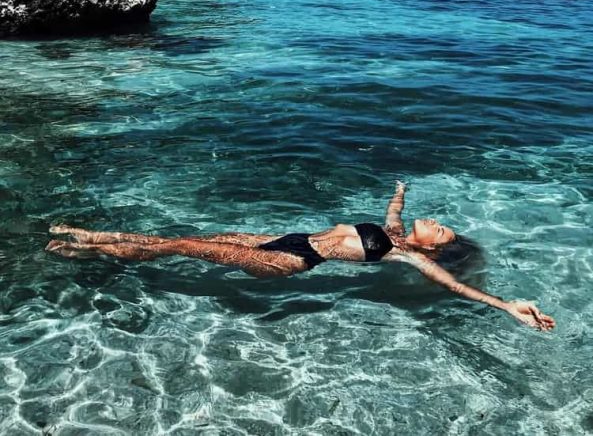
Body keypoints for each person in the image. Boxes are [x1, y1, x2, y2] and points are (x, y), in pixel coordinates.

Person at [46, 181, 555, 331]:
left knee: (182, 248)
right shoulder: (394, 231)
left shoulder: (412, 259)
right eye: (437, 222)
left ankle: (85, 246)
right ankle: (93, 241)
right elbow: (393, 209)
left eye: (439, 230)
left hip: (289, 262)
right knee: (189, 237)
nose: (434, 222)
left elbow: (458, 288)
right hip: (283, 236)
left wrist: (510, 305)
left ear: (431, 248)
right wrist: (400, 190)